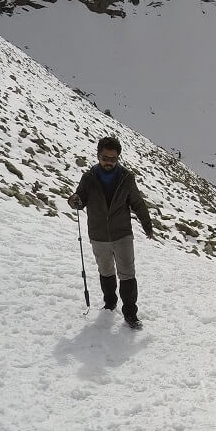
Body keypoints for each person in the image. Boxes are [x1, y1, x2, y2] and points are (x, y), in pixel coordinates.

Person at [68, 136, 156, 329]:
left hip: (122, 233)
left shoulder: (126, 178)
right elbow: (80, 199)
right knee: (106, 271)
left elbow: (137, 203)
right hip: (99, 234)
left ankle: (131, 314)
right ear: (98, 156)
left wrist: (147, 225)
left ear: (118, 158)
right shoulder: (89, 177)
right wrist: (74, 200)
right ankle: (110, 303)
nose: (109, 162)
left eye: (113, 159)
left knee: (127, 274)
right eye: (105, 158)